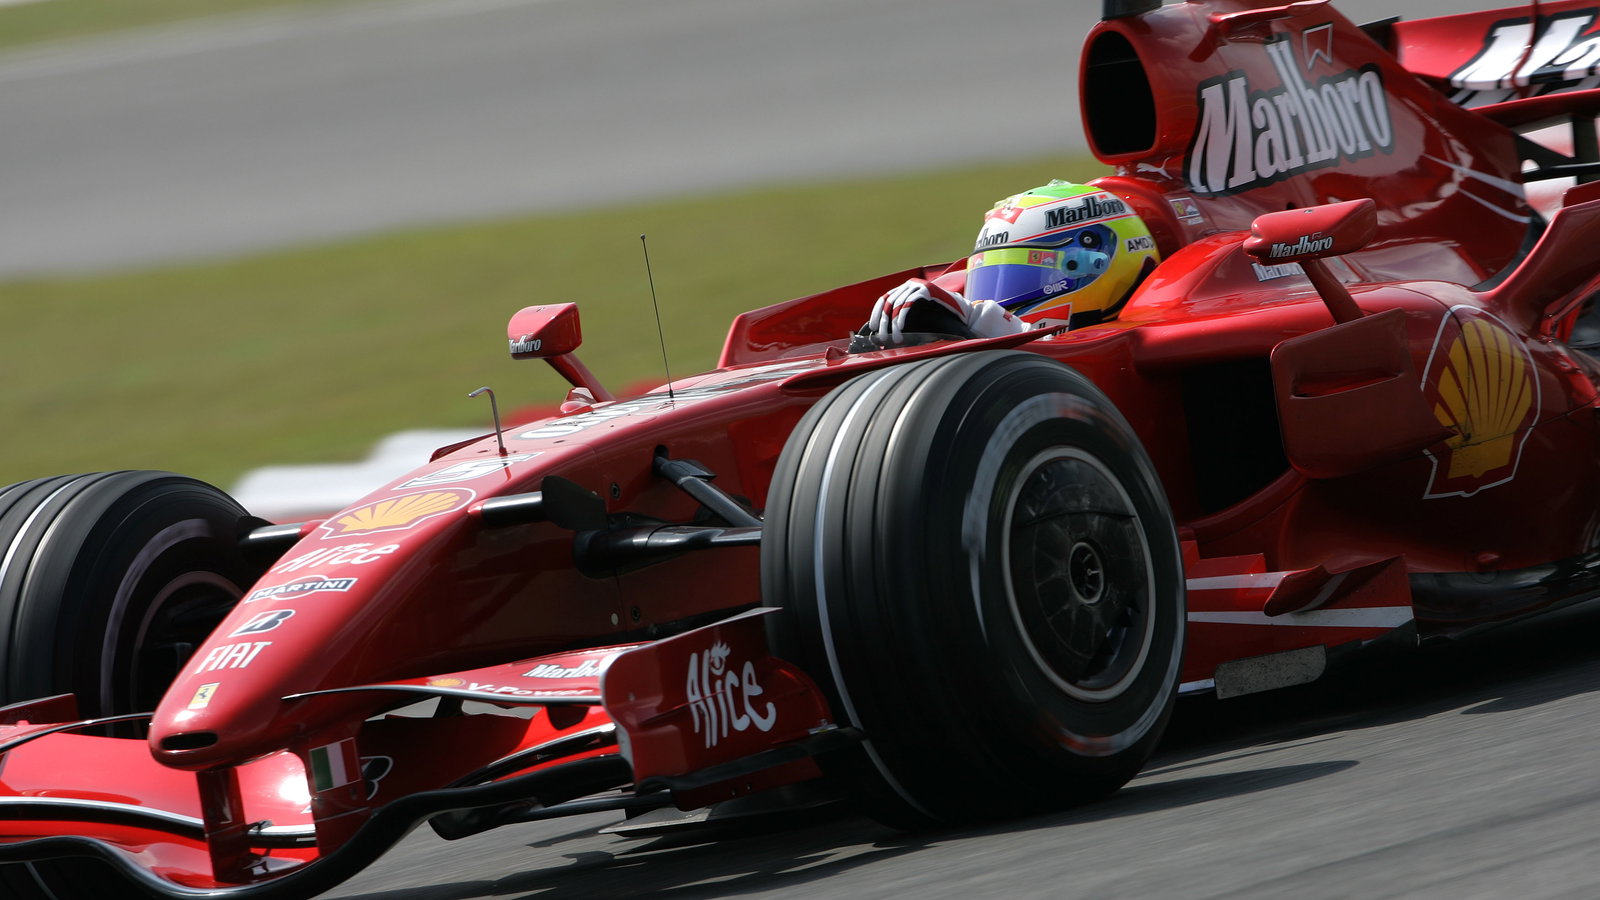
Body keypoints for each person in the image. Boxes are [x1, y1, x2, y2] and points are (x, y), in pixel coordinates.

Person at [864, 180, 1161, 344]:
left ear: (1096, 263)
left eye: (1022, 277)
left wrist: (980, 322)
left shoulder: (1156, 335)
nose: (996, 299)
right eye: (991, 277)